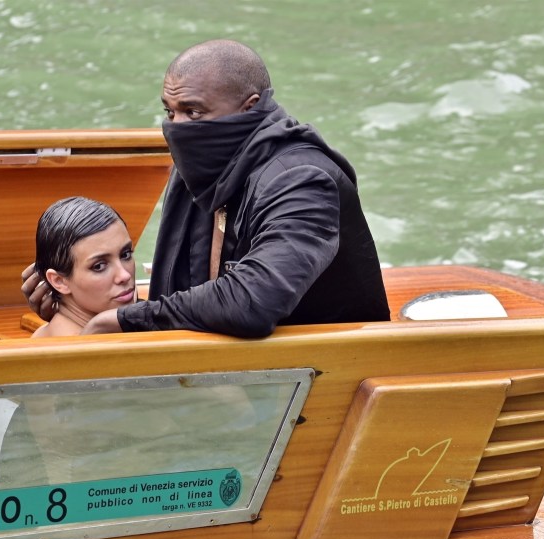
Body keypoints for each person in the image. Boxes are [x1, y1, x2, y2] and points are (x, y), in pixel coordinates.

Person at [23, 39, 389, 338]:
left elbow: (253, 301)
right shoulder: (201, 166)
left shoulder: (303, 181)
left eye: (193, 112)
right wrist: (75, 306)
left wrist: (121, 320)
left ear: (250, 108)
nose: (177, 128)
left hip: (319, 378)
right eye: (170, 112)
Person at [29, 196, 136, 338]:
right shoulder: (91, 351)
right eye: (99, 266)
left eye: (125, 255)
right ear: (59, 281)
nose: (124, 275)